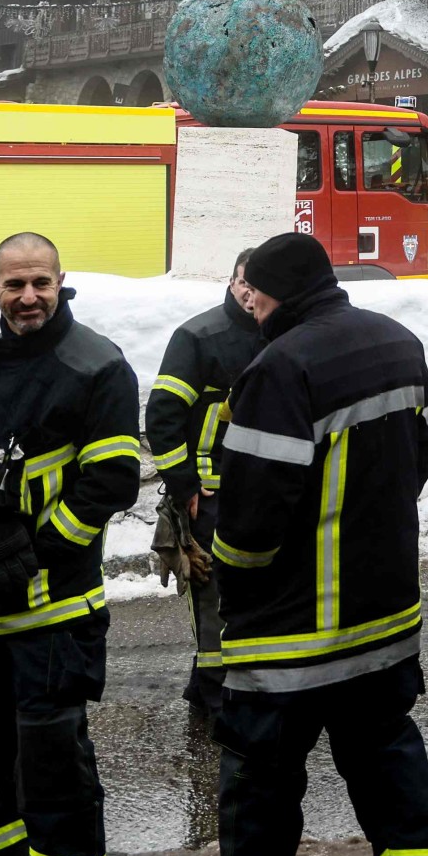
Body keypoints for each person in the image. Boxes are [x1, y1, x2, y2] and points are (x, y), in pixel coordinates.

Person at [210, 231, 428, 856]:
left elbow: (249, 523)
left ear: (271, 295)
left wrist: (231, 577)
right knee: (401, 804)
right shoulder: (398, 341)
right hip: (383, 633)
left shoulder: (279, 367)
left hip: (288, 642)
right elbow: (425, 444)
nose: (250, 311)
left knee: (257, 820)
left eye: (253, 298)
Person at [0, 232, 143, 856]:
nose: (28, 297)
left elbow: (109, 483)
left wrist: (35, 549)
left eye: (40, 283)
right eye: (14, 284)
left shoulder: (98, 366)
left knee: (55, 782)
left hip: (55, 616)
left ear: (61, 283)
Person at [144, 246, 267, 730]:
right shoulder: (198, 336)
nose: (250, 292)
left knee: (251, 592)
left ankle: (206, 686)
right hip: (210, 499)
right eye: (244, 282)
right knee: (212, 594)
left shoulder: (281, 334)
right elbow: (163, 416)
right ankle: (219, 701)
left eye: (259, 284)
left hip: (261, 493)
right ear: (232, 282)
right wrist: (184, 487)